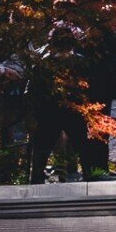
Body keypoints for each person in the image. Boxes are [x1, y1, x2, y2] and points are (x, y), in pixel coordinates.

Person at [28, 27, 104, 184]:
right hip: (70, 112)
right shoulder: (82, 63)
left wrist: (35, 115)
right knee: (83, 150)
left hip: (50, 114)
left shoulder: (44, 64)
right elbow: (93, 91)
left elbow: (33, 93)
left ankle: (35, 183)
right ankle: (91, 182)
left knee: (42, 152)